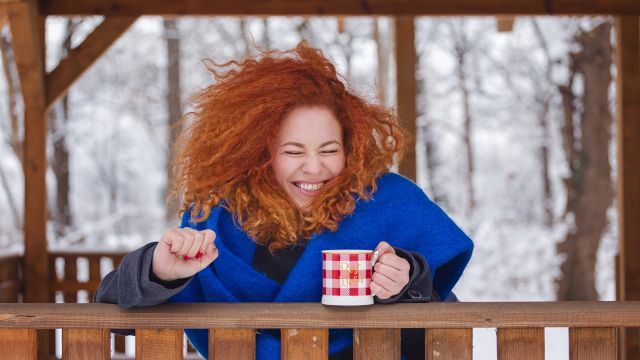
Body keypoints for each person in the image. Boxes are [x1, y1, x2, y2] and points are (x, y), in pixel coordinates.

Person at [95, 42, 473, 360]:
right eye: (293, 152)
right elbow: (113, 308)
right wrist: (158, 270)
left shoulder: (390, 200)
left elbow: (441, 321)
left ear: (350, 147)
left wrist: (407, 284)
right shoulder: (216, 219)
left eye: (329, 149)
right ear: (261, 153)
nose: (314, 168)